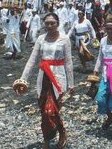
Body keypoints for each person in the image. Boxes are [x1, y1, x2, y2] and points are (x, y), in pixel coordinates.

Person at [15, 13, 74, 149]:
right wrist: (23, 79)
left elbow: (69, 62)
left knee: (52, 110)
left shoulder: (64, 39)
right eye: (47, 23)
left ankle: (61, 132)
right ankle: (47, 140)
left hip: (58, 78)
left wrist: (71, 84)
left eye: (52, 23)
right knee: (44, 110)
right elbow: (32, 60)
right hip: (43, 79)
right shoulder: (41, 39)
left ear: (58, 24)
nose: (49, 25)